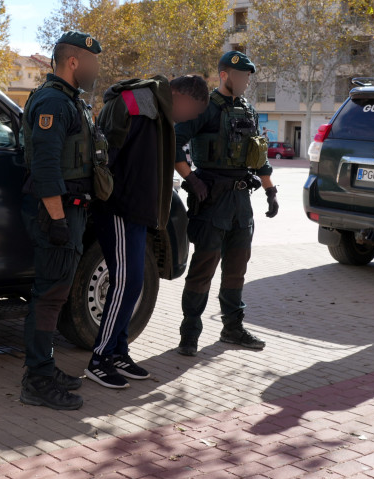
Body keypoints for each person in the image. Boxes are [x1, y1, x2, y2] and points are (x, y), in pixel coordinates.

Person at [84, 75, 208, 389]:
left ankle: (118, 353)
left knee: (133, 284)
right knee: (127, 283)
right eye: (191, 111)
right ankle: (99, 359)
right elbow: (105, 156)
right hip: (120, 209)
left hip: (137, 211)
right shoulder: (137, 104)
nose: (188, 118)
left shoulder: (159, 110)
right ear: (179, 95)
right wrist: (116, 198)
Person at [174, 51, 278, 357]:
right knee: (203, 267)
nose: (245, 82)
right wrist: (191, 179)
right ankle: (189, 333)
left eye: (248, 77)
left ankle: (233, 328)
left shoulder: (248, 110)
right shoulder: (204, 108)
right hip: (211, 198)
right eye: (241, 76)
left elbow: (259, 156)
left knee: (236, 269)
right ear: (224, 76)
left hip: (241, 201)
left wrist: (271, 192)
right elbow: (174, 144)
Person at [20, 31, 103, 410]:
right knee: (50, 295)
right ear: (73, 62)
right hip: (56, 209)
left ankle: (44, 367)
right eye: (92, 62)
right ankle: (37, 380)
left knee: (56, 293)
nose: (96, 69)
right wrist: (57, 219)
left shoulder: (72, 101)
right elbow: (46, 166)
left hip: (71, 208)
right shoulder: (54, 101)